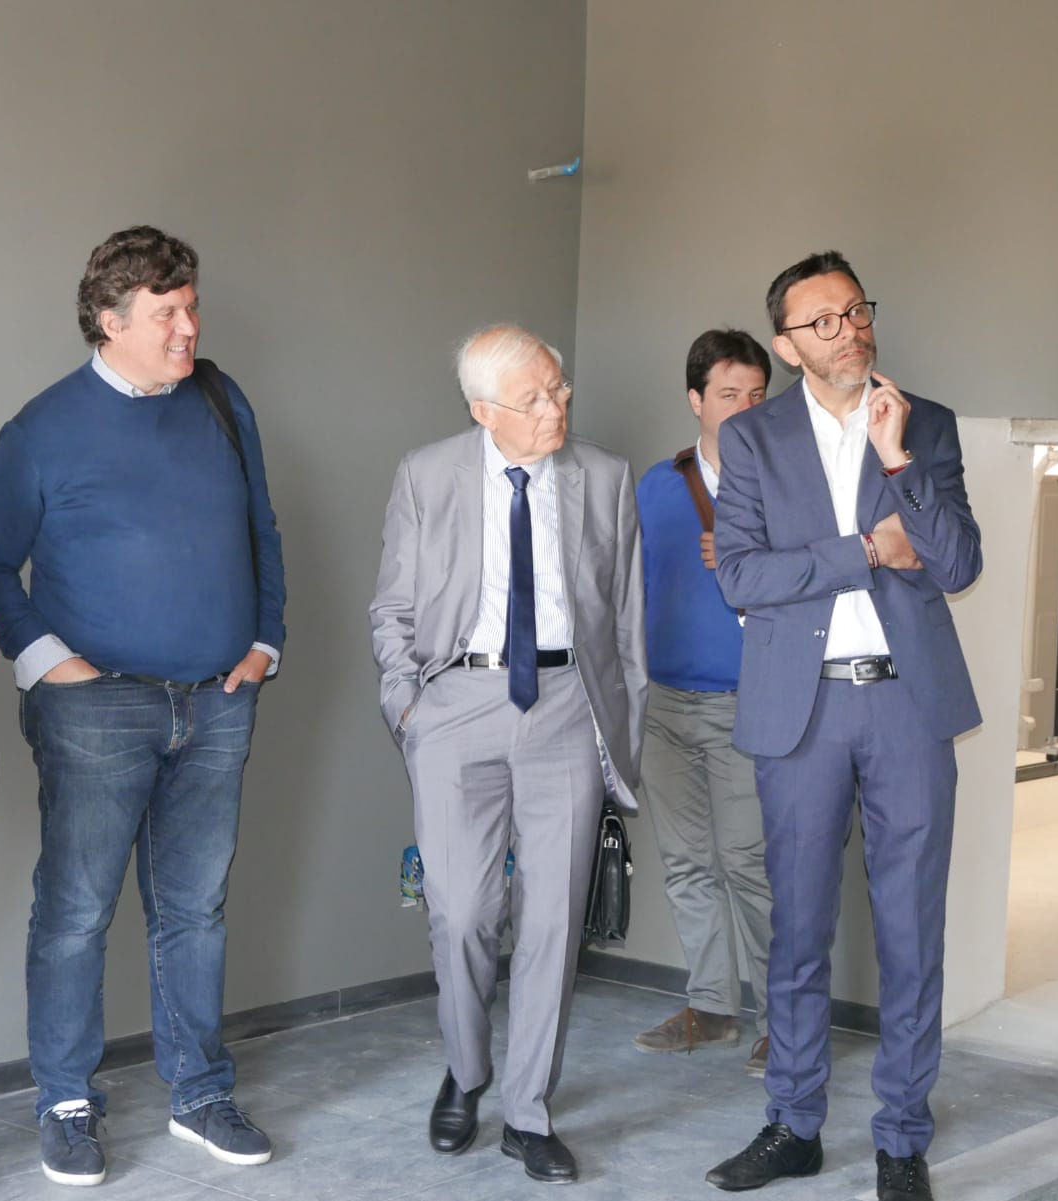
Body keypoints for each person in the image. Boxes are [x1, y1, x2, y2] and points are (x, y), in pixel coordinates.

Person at [0, 225, 285, 1186]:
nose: (189, 327)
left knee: (196, 908)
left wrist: (265, 641)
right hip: (95, 711)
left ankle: (200, 1092)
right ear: (110, 322)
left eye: (192, 306)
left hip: (217, 703)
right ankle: (66, 1100)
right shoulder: (41, 430)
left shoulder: (222, 402)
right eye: (165, 313)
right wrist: (47, 660)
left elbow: (262, 529)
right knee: (76, 911)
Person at [705, 253, 981, 1201]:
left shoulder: (925, 422)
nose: (849, 330)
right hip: (803, 708)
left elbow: (955, 562)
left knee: (911, 930)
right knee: (798, 929)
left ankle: (902, 1137)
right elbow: (741, 575)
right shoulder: (752, 438)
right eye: (822, 320)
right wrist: (866, 549)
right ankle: (793, 1124)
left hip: (909, 704)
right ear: (787, 346)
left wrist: (898, 460)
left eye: (856, 310)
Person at [369, 324, 647, 1185]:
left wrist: (619, 732)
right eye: (534, 398)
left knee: (554, 921)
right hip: (457, 705)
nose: (557, 406)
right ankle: (466, 1069)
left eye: (558, 388)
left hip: (566, 707)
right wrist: (409, 708)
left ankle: (528, 1112)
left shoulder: (605, 476)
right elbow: (394, 607)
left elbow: (627, 621)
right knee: (460, 912)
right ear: (484, 410)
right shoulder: (427, 474)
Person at [631, 329, 775, 1076]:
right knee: (686, 863)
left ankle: (783, 1024)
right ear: (696, 400)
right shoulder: (656, 486)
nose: (745, 410)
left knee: (750, 865)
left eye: (757, 395)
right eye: (728, 395)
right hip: (661, 704)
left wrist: (756, 565)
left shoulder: (787, 488)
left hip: (744, 705)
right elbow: (625, 592)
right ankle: (714, 1006)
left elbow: (827, 587)